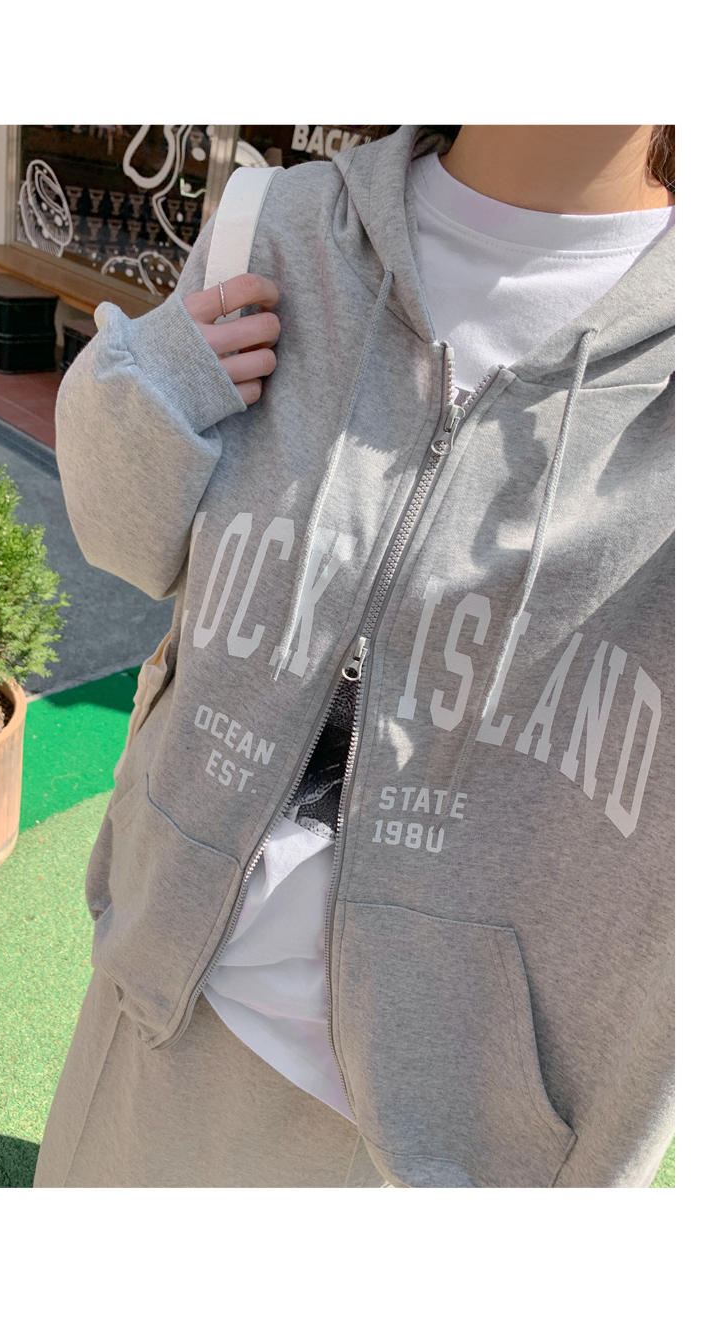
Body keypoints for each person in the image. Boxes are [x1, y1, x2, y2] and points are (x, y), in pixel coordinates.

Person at [34, 125, 674, 1188]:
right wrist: (156, 380)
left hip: (458, 1145)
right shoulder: (280, 228)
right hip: (158, 1016)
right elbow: (122, 534)